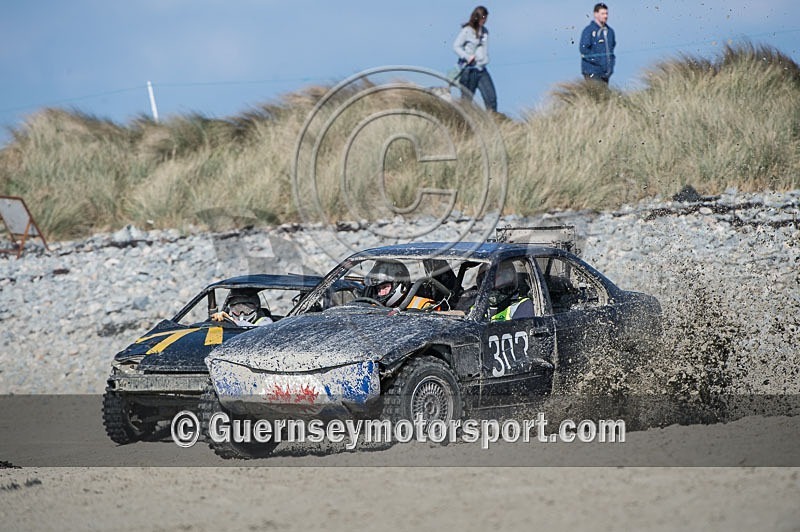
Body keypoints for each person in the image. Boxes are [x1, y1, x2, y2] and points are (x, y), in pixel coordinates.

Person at [453, 6, 497, 112]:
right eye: (482, 17)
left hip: (481, 69)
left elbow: (484, 48)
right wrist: (467, 57)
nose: (484, 20)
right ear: (476, 17)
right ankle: (462, 124)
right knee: (466, 102)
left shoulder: (485, 31)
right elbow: (456, 46)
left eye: (485, 17)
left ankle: (493, 122)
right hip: (469, 70)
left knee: (491, 99)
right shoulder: (467, 31)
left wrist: (485, 59)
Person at [363, 259, 437, 310]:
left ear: (399, 284)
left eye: (385, 287)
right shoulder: (373, 307)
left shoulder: (423, 305)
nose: (381, 293)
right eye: (378, 289)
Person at [579, 3, 616, 83]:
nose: (605, 16)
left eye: (606, 13)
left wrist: (611, 64)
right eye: (602, 13)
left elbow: (612, 49)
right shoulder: (588, 30)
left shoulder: (610, 32)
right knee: (597, 94)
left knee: (604, 95)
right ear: (595, 14)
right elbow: (583, 49)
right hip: (592, 71)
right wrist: (599, 61)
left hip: (606, 73)